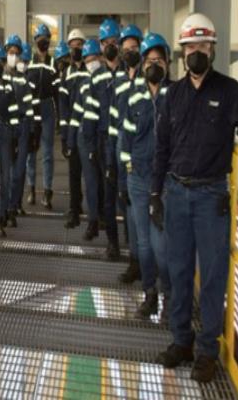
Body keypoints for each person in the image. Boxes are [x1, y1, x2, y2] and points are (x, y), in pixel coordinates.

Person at [152, 13, 238, 383]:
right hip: (176, 192)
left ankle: (207, 351)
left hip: (210, 197)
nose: (197, 53)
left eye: (203, 47)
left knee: (214, 276)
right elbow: (161, 148)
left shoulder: (229, 91)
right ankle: (181, 340)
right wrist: (156, 193)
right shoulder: (172, 96)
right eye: (191, 48)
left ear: (213, 50)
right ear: (182, 52)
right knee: (179, 270)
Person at [119, 32, 173, 322]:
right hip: (138, 180)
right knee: (143, 245)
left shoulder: (175, 95)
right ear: (143, 64)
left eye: (159, 60)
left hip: (164, 182)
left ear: (167, 64)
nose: (154, 65)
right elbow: (125, 139)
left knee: (162, 246)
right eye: (150, 60)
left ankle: (169, 297)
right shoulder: (134, 95)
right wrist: (126, 172)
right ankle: (149, 296)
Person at [108, 24, 144, 283]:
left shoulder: (150, 76)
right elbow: (113, 119)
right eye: (126, 48)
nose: (130, 52)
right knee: (128, 204)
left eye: (135, 48)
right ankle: (135, 260)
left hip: (146, 147)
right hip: (123, 144)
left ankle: (147, 266)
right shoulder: (118, 80)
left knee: (146, 212)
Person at [69, 39, 104, 242]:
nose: (91, 62)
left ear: (100, 58)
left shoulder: (108, 80)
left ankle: (104, 217)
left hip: (103, 136)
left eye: (94, 59)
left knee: (105, 182)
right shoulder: (83, 84)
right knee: (91, 181)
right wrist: (72, 141)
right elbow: (76, 112)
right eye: (88, 59)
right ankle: (93, 222)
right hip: (85, 138)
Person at [0, 42, 21, 236]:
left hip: (6, 136)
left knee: (6, 179)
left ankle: (1, 218)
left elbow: (15, 113)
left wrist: (15, 135)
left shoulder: (9, 88)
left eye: (0, 62)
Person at [26, 23, 57, 209]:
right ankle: (31, 189)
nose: (42, 42)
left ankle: (47, 191)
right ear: (35, 41)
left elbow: (57, 91)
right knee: (31, 151)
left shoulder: (53, 64)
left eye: (46, 39)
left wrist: (61, 119)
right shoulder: (29, 62)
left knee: (47, 152)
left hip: (47, 109)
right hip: (32, 109)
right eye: (40, 39)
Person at [59, 29, 88, 228]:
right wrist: (64, 136)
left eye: (80, 45)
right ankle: (74, 209)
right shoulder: (66, 74)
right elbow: (63, 105)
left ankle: (98, 213)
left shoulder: (91, 70)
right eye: (73, 45)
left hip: (90, 128)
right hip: (73, 131)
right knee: (74, 171)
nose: (76, 48)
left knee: (93, 172)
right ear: (69, 48)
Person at [10, 41, 35, 217]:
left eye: (15, 52)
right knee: (9, 171)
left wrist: (32, 130)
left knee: (19, 169)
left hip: (23, 126)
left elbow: (29, 107)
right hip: (6, 128)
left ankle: (16, 203)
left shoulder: (22, 79)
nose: (13, 55)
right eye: (10, 52)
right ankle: (9, 207)